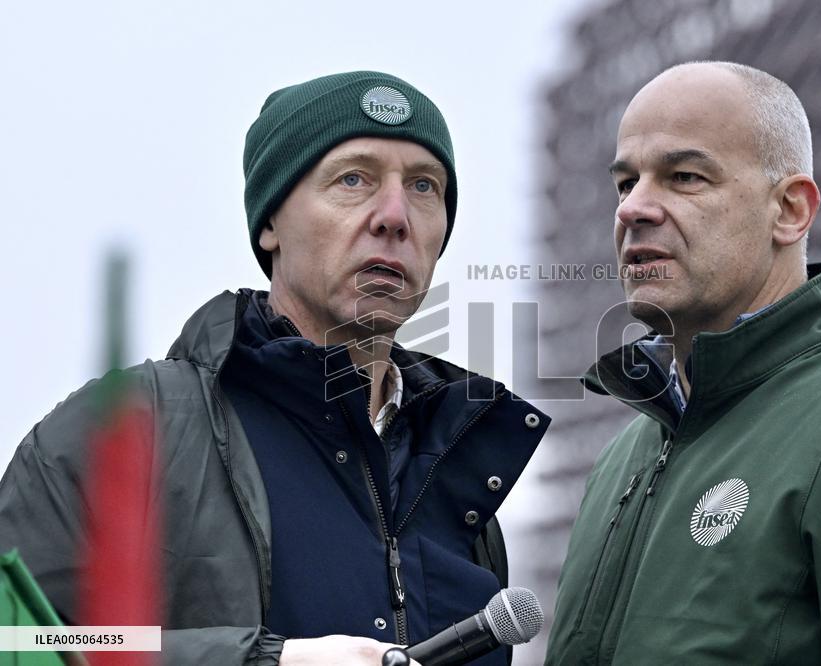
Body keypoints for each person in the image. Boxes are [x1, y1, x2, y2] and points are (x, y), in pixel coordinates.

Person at [0, 71, 549, 665]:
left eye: (424, 186)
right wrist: (269, 661)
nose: (395, 216)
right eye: (353, 179)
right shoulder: (127, 428)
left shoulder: (459, 468)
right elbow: (23, 640)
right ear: (270, 224)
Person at [545, 61, 821, 664]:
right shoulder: (622, 458)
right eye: (626, 183)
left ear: (790, 210)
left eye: (683, 176)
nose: (634, 209)